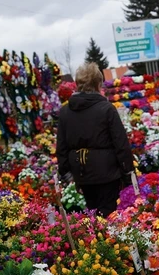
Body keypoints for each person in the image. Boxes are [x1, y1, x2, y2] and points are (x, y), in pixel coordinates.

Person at [57, 63, 134, 217]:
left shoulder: (65, 112)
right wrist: (128, 174)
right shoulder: (106, 109)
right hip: (107, 174)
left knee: (92, 214)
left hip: (82, 173)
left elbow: (61, 147)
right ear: (98, 84)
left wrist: (67, 174)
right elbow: (121, 144)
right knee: (109, 215)